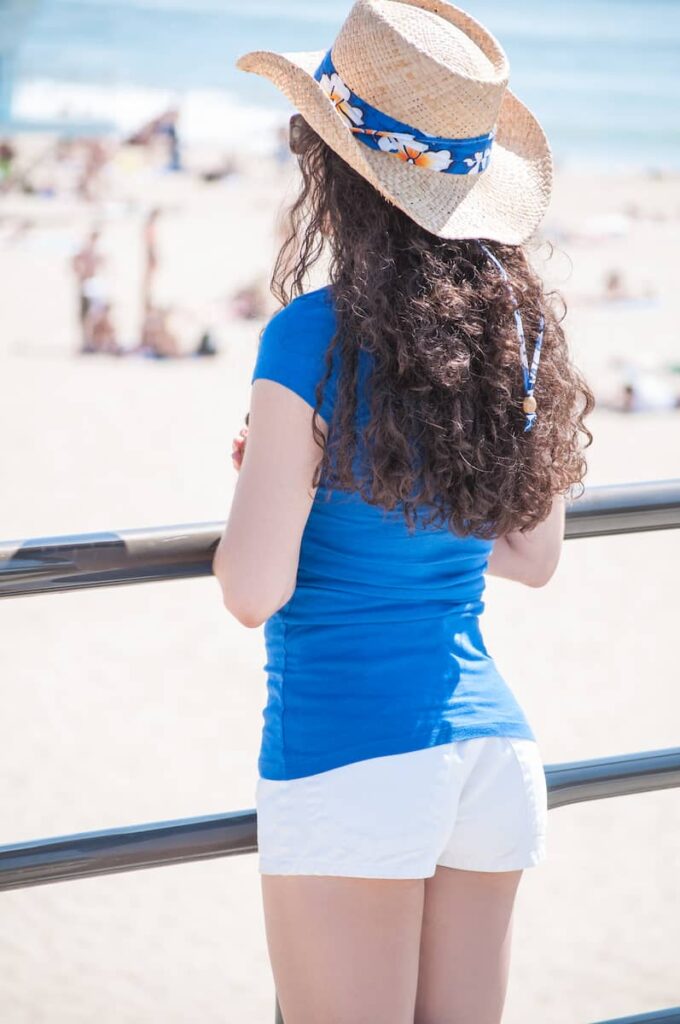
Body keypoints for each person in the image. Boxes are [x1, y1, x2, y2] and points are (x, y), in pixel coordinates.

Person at [212, 3, 595, 1022]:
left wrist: (282, 479)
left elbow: (252, 590)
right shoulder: (508, 332)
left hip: (351, 750)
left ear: (332, 169)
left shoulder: (309, 336)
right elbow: (532, 554)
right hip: (491, 755)